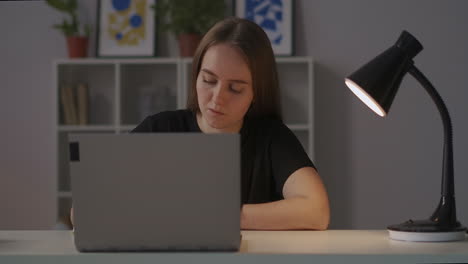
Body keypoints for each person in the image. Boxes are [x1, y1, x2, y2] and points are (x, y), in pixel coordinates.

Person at [71, 17, 329, 230]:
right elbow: (83, 211)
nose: (217, 99)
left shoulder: (271, 138)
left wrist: (217, 218)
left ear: (256, 94)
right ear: (195, 76)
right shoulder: (158, 129)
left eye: (236, 89)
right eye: (208, 80)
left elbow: (316, 211)